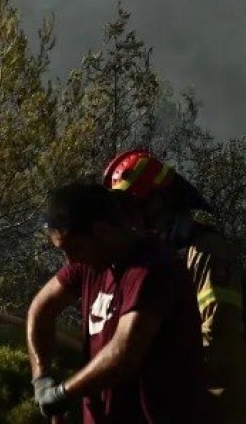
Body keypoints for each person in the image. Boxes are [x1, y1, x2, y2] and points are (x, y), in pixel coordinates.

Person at [27, 182, 207, 423]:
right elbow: (41, 309)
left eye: (75, 247)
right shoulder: (89, 261)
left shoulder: (152, 268)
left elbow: (124, 354)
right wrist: (42, 379)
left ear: (101, 231)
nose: (71, 259)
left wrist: (61, 394)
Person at [102, 150, 246, 423]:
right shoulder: (149, 259)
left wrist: (159, 364)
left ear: (156, 202)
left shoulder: (204, 250)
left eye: (132, 206)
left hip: (214, 402)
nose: (128, 219)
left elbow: (219, 333)